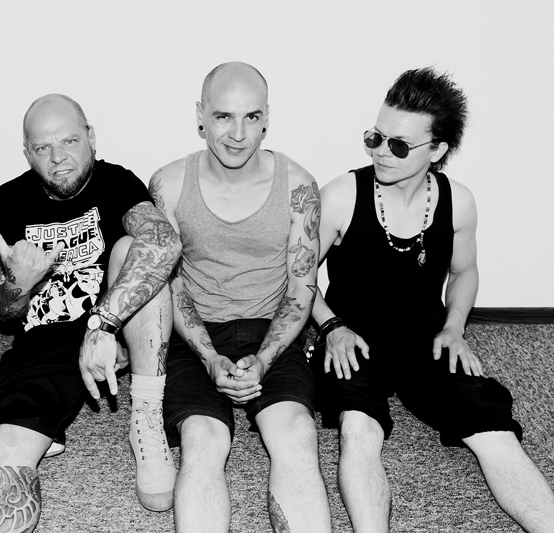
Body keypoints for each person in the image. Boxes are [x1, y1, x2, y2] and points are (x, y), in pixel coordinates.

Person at [311, 66, 554, 532]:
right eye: (375, 138)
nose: (381, 151)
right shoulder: (341, 196)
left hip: (426, 338)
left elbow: (464, 272)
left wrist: (454, 327)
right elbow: (298, 278)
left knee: (493, 429)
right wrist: (331, 326)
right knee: (358, 428)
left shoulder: (458, 202)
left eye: (399, 145)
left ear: (437, 150)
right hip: (353, 339)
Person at [0, 93, 181, 532]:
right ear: (27, 152)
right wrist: (19, 283)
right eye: (42, 147)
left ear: (91, 138)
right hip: (43, 340)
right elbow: (4, 314)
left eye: (68, 141)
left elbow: (164, 242)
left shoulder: (116, 181)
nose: (58, 158)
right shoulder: (10, 198)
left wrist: (103, 325)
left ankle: (146, 416)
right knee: (8, 453)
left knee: (135, 249)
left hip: (116, 327)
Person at [151, 62, 332, 533]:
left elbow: (301, 286)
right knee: (203, 440)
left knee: (296, 434)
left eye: (251, 117)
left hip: (273, 328)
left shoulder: (298, 185)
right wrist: (209, 357)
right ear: (201, 115)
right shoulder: (169, 184)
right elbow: (170, 283)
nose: (237, 134)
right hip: (196, 334)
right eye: (223, 116)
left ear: (267, 117)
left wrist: (266, 359)